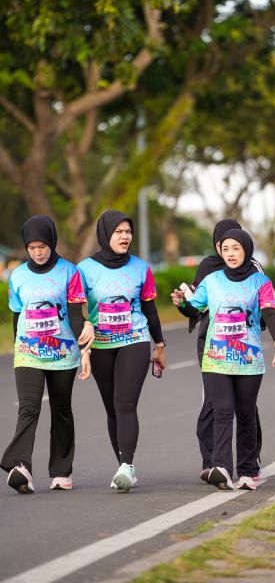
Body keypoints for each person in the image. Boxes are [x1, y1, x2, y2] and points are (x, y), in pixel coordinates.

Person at [171, 229, 275, 491]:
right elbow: (194, 308)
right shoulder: (212, 280)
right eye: (226, 249)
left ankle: (247, 471)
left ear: (246, 249)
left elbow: (270, 313)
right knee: (223, 411)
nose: (231, 254)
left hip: (248, 359)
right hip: (215, 358)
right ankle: (222, 468)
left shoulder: (260, 282)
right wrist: (181, 304)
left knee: (246, 414)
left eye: (236, 248)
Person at [1, 216, 93, 494]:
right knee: (29, 407)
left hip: (62, 353)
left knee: (61, 409)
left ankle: (62, 471)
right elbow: (17, 315)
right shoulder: (18, 275)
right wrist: (18, 346)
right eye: (32, 248)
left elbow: (75, 314)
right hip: (28, 352)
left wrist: (84, 349)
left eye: (42, 246)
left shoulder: (70, 272)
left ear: (52, 243)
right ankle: (20, 466)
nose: (38, 252)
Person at [77, 210, 166, 492]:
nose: (125, 236)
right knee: (112, 408)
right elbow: (74, 310)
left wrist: (160, 344)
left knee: (125, 403)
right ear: (105, 234)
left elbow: (150, 309)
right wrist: (84, 344)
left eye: (128, 232)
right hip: (100, 345)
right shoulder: (85, 269)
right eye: (119, 232)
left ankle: (127, 466)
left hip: (134, 340)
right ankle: (122, 466)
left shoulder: (140, 268)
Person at [183, 219, 265, 483]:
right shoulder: (208, 267)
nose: (226, 250)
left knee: (245, 408)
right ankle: (213, 463)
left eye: (233, 244)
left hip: (244, 347)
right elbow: (196, 302)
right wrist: (186, 302)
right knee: (215, 404)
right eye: (221, 244)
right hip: (212, 341)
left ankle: (250, 461)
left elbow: (264, 307)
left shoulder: (254, 269)